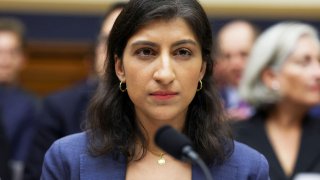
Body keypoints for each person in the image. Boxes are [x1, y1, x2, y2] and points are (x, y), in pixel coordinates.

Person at [41, 0, 269, 179]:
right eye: (146, 52)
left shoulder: (248, 168)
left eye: (182, 52)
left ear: (202, 68)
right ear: (120, 67)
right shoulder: (66, 160)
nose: (165, 74)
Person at [23, 3, 126, 180]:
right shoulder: (59, 107)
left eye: (124, 42)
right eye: (107, 41)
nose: (114, 52)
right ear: (96, 49)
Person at [233, 22, 320, 180]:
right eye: (304, 62)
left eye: (319, 61)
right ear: (270, 76)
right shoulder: (230, 138)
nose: (318, 73)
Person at [0, 18, 39, 180]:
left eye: (12, 52)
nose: (5, 61)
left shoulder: (33, 107)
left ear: (23, 58)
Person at [213, 20, 259, 121]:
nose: (235, 65)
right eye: (227, 56)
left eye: (244, 54)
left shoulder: (276, 100)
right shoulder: (210, 102)